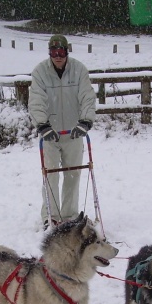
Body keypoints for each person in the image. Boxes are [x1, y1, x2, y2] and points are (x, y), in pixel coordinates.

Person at [28, 34, 97, 229]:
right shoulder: (40, 72)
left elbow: (87, 97)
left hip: (74, 132)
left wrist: (85, 121)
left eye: (61, 52)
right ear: (49, 53)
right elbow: (36, 100)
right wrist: (42, 125)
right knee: (51, 174)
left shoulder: (79, 70)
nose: (58, 56)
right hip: (50, 134)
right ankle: (50, 215)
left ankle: (70, 215)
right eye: (54, 52)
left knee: (73, 174)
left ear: (67, 52)